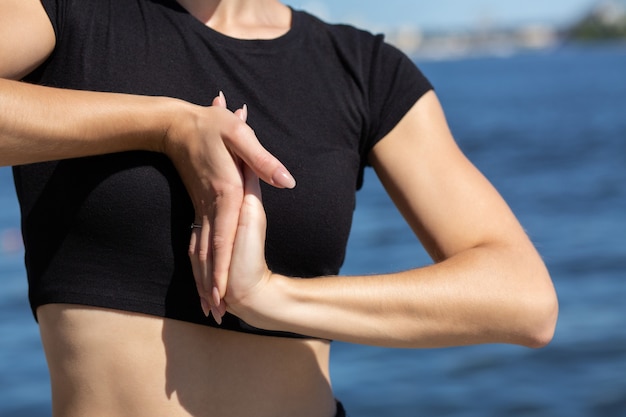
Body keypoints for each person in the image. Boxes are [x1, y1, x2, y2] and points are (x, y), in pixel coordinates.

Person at [0, 0, 558, 416]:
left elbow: (524, 299)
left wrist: (269, 296)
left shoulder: (363, 68)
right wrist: (164, 124)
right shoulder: (70, 13)